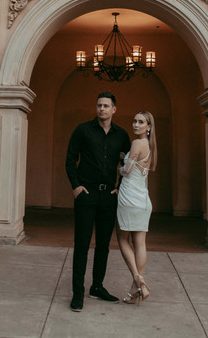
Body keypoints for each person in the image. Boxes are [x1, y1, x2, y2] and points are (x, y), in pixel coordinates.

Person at [65, 91, 131, 312]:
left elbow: (128, 164)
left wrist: (119, 186)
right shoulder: (83, 130)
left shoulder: (121, 135)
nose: (101, 109)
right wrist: (76, 186)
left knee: (103, 245)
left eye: (106, 106)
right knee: (82, 244)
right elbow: (70, 159)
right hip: (86, 194)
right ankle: (78, 293)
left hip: (107, 197)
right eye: (99, 105)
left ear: (114, 109)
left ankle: (97, 287)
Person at [116, 110, 157, 305]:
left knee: (123, 239)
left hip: (129, 198)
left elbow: (127, 171)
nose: (136, 125)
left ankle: (139, 280)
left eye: (141, 122)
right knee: (140, 243)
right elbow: (139, 167)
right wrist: (126, 157)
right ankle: (135, 291)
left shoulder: (136, 143)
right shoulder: (149, 146)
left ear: (148, 127)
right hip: (143, 200)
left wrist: (119, 166)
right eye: (134, 121)